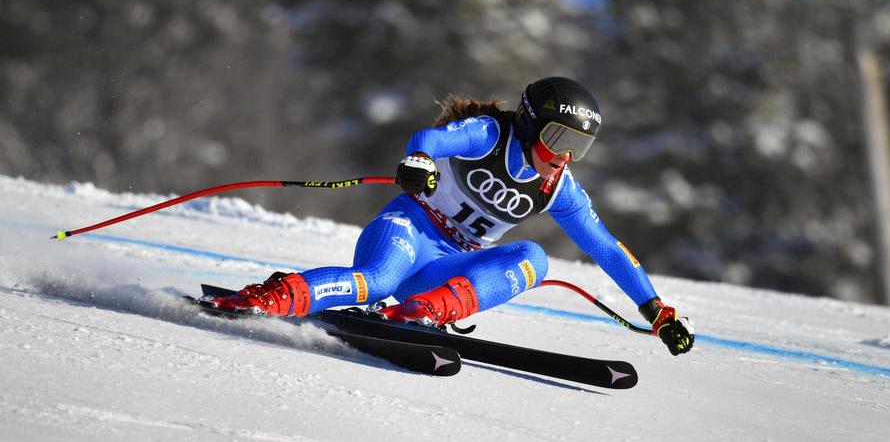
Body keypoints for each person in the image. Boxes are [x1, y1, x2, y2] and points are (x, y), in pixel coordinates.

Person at [209, 77, 694, 355]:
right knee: (375, 280)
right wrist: (418, 163)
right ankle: (275, 296)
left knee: (534, 259)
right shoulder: (489, 135)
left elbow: (606, 247)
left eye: (579, 147)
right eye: (558, 139)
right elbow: (430, 140)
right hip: (409, 230)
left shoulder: (559, 188)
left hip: (447, 267)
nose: (565, 156)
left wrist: (656, 310)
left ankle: (425, 312)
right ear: (529, 124)